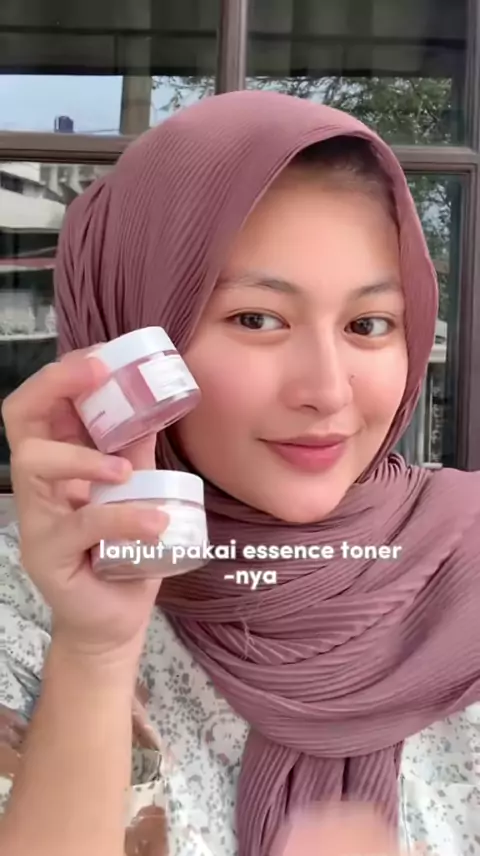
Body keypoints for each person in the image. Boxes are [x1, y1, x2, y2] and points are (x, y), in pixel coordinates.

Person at [0, 90, 479, 856]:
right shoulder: (26, 605)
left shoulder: (468, 563)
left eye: (368, 325)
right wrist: (95, 653)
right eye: (257, 319)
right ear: (129, 331)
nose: (327, 391)